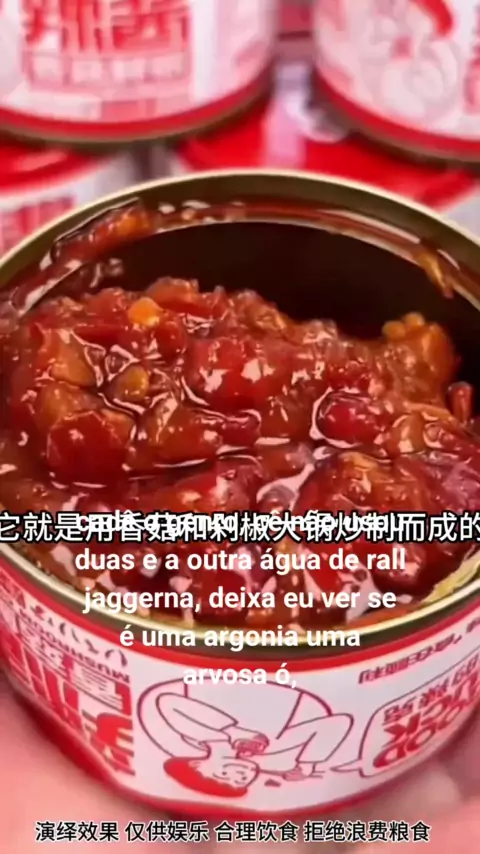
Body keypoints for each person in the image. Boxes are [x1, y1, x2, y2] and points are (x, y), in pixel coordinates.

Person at [1, 674, 479, 853]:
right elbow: (332, 727)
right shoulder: (283, 757)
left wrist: (227, 735)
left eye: (222, 775)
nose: (236, 773)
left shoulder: (202, 734)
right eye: (232, 779)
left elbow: (170, 706)